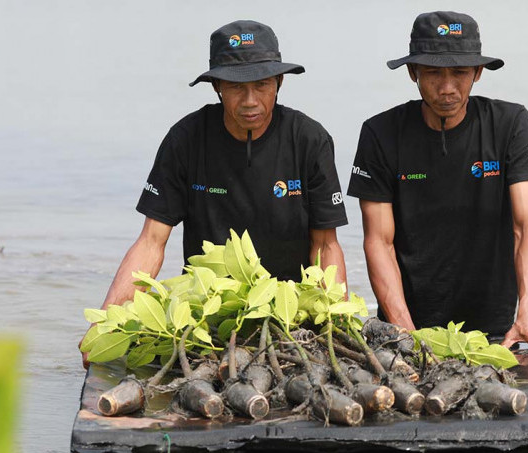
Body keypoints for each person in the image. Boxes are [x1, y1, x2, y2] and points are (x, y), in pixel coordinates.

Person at [80, 20, 348, 367]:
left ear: (279, 83)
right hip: (207, 313)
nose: (250, 101)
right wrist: (105, 322)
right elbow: (151, 241)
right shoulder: (186, 139)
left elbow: (326, 245)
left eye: (262, 85)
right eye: (237, 87)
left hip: (288, 314)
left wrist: (334, 322)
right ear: (217, 86)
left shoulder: (309, 140)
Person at [347, 11, 528, 352]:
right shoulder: (380, 133)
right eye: (432, 73)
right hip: (408, 328)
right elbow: (378, 242)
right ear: (413, 72)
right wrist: (404, 332)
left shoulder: (510, 124)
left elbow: (526, 227)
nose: (447, 88)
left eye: (459, 72)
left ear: (477, 72)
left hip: (497, 330)